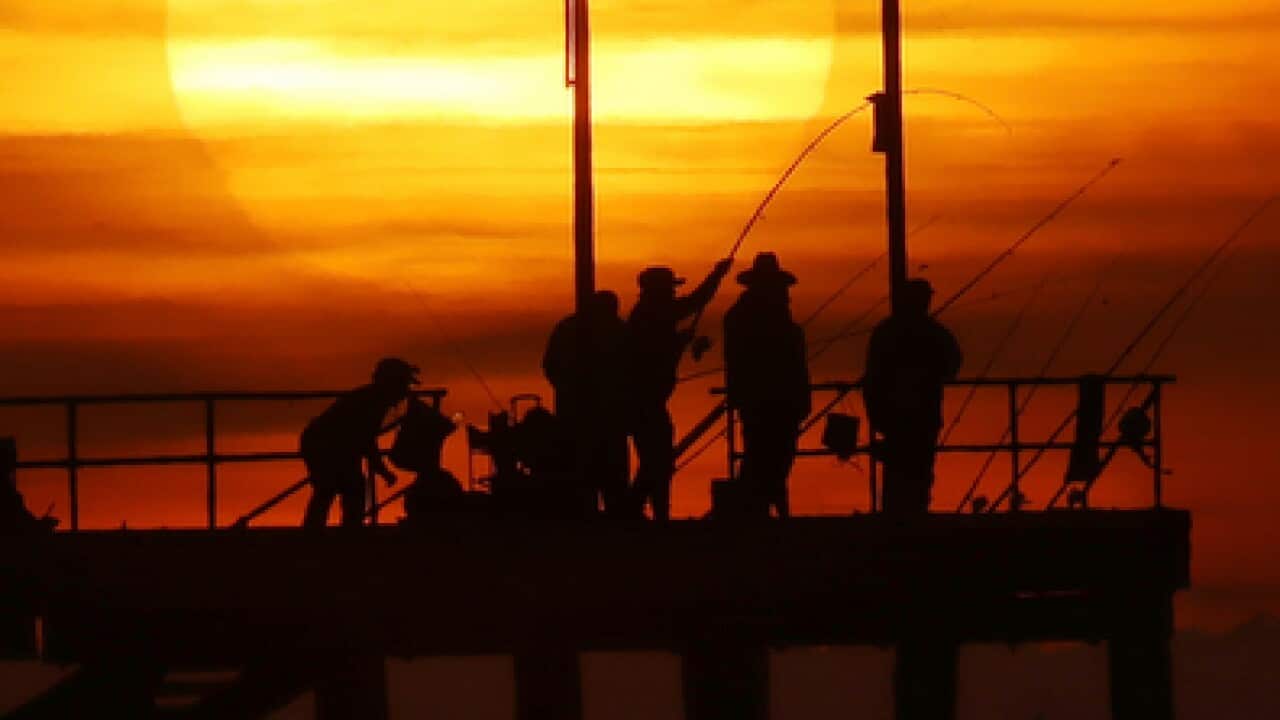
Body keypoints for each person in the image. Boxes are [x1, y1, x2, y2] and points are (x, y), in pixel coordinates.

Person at [625, 258, 733, 521]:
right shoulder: (652, 312)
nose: (674, 293)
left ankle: (646, 510)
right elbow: (696, 301)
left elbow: (659, 347)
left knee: (656, 460)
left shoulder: (646, 315)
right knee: (658, 460)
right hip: (646, 401)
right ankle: (638, 509)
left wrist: (679, 341)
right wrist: (716, 275)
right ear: (658, 292)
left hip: (646, 400)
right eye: (670, 289)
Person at [862, 279, 963, 515]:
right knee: (919, 471)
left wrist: (876, 415)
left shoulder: (886, 332)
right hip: (921, 416)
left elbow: (871, 378)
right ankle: (913, 516)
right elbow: (953, 365)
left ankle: (897, 517)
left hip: (895, 418)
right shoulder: (934, 333)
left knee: (899, 472)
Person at [723, 253, 811, 518]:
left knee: (771, 455)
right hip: (769, 399)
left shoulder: (740, 316)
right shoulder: (754, 318)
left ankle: (759, 509)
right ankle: (759, 509)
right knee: (769, 456)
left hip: (770, 399)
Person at [299, 358, 418, 529]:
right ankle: (339, 534)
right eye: (403, 385)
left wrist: (379, 467)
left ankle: (329, 533)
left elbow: (364, 439)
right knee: (335, 487)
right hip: (326, 445)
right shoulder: (372, 402)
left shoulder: (373, 399)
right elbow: (366, 439)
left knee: (339, 488)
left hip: (335, 445)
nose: (405, 391)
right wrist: (382, 469)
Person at [542, 290, 630, 515]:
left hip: (597, 417)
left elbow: (550, 366)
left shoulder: (571, 328)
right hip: (594, 419)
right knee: (596, 474)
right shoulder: (616, 330)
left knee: (603, 477)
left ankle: (608, 515)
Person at [1, 437, 57, 533]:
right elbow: (19, 521)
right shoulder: (7, 492)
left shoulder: (8, 490)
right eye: (12, 457)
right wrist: (42, 525)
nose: (15, 462)